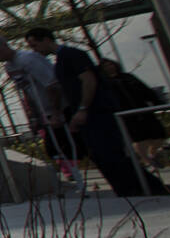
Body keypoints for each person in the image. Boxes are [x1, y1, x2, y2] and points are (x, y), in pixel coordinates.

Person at [22, 27, 155, 197]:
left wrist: (83, 108)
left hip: (96, 112)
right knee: (101, 154)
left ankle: (139, 188)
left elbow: (88, 80)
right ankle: (131, 188)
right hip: (87, 113)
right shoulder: (61, 60)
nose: (34, 50)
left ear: (46, 39)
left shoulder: (71, 55)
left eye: (35, 45)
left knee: (109, 152)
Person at [0, 35, 77, 180]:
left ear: (4, 46)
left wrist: (56, 112)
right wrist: (32, 113)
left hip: (60, 109)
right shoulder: (9, 67)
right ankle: (72, 173)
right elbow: (25, 90)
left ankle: (76, 173)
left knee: (70, 144)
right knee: (54, 148)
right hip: (44, 112)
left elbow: (52, 85)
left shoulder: (28, 59)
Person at [99, 58, 167, 175]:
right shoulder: (105, 83)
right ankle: (147, 161)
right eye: (106, 66)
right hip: (126, 114)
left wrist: (156, 101)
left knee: (159, 134)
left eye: (111, 64)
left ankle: (153, 153)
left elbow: (144, 89)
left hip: (142, 109)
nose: (110, 67)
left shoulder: (128, 77)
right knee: (139, 138)